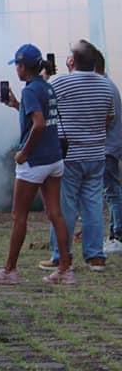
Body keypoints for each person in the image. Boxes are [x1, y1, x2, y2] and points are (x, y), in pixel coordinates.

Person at [0, 44, 74, 284]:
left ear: (23, 66)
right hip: (55, 159)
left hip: (35, 162)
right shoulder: (45, 87)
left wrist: (24, 152)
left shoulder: (31, 90)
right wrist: (16, 105)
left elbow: (39, 124)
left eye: (18, 66)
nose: (17, 70)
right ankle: (65, 269)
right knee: (55, 213)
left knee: (18, 216)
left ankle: (9, 270)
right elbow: (38, 116)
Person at [40, 40, 115, 272]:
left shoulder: (60, 81)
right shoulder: (106, 85)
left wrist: (44, 77)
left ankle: (60, 255)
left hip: (69, 154)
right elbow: (109, 118)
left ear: (71, 61)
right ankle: (96, 257)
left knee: (65, 207)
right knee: (93, 204)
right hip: (96, 154)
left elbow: (42, 104)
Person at [94, 51, 122, 255]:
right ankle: (114, 234)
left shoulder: (104, 88)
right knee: (111, 192)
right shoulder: (108, 85)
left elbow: (105, 120)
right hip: (110, 146)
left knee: (112, 192)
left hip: (107, 147)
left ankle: (118, 236)